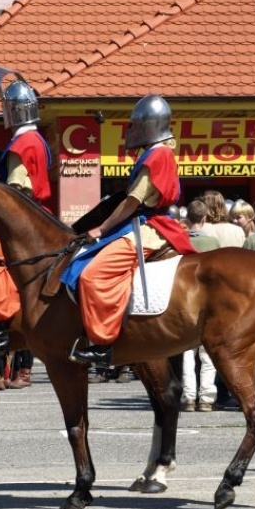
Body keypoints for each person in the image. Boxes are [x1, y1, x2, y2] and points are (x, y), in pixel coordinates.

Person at [64, 94, 196, 367]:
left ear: (148, 125)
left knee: (93, 275)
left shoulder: (157, 156)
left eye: (135, 124)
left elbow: (132, 202)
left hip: (150, 227)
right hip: (147, 222)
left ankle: (103, 344)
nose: (131, 130)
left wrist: (100, 229)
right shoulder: (158, 152)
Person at [0, 66, 51, 372]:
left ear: (13, 111)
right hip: (41, 214)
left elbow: (16, 191)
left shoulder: (20, 145)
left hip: (23, 219)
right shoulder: (36, 139)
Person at [181, 199, 219, 412]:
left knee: (187, 352)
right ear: (205, 218)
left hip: (185, 300)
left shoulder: (181, 241)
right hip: (209, 302)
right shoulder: (213, 242)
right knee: (207, 354)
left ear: (187, 219)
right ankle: (206, 397)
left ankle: (188, 397)